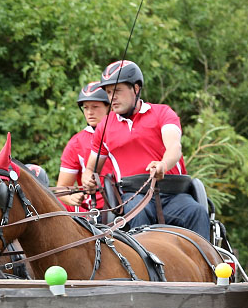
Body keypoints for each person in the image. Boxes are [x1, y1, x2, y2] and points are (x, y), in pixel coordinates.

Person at [82, 60, 210, 241]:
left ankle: (207, 267)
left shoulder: (162, 113)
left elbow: (174, 147)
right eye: (109, 92)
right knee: (137, 215)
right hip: (133, 196)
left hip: (173, 194)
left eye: (117, 91)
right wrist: (87, 177)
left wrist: (163, 164)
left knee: (195, 212)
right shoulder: (104, 126)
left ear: (135, 88)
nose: (112, 98)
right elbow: (91, 168)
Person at [57, 81, 115, 212]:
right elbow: (62, 188)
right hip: (94, 210)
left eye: (95, 107)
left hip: (127, 201)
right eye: (86, 108)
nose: (89, 112)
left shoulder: (123, 132)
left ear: (109, 107)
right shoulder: (76, 143)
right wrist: (71, 197)